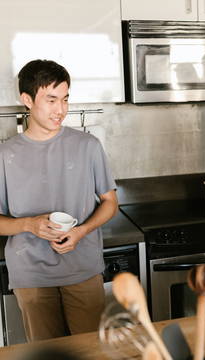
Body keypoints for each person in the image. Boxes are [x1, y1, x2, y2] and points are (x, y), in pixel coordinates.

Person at [0, 59, 118, 341]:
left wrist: (81, 231)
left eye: (65, 99)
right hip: (30, 275)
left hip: (83, 269)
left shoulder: (87, 145)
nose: (61, 110)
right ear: (27, 100)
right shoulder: (5, 155)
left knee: (92, 351)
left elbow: (110, 202)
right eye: (51, 100)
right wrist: (29, 225)